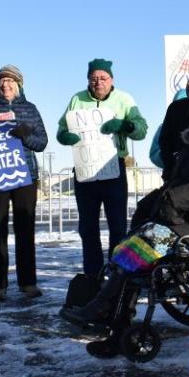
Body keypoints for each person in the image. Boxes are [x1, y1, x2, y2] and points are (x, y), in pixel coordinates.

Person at [60, 92, 189, 357]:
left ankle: (103, 308)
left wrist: (172, 202)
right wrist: (150, 208)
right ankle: (114, 328)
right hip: (176, 221)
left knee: (134, 256)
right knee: (124, 254)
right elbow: (170, 186)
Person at [57, 58, 147, 278]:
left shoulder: (125, 99)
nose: (98, 82)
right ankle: (93, 276)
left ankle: (117, 277)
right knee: (87, 229)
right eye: (94, 78)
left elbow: (141, 130)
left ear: (111, 79)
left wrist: (124, 125)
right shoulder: (77, 99)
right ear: (88, 80)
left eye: (103, 78)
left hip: (113, 169)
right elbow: (61, 128)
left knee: (117, 227)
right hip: (85, 171)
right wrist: (64, 136)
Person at [0, 65, 48, 301]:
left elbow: (42, 142)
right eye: (2, 81)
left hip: (25, 176)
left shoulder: (30, 109)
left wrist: (25, 135)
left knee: (24, 230)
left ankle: (28, 283)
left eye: (10, 81)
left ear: (18, 85)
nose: (6, 85)